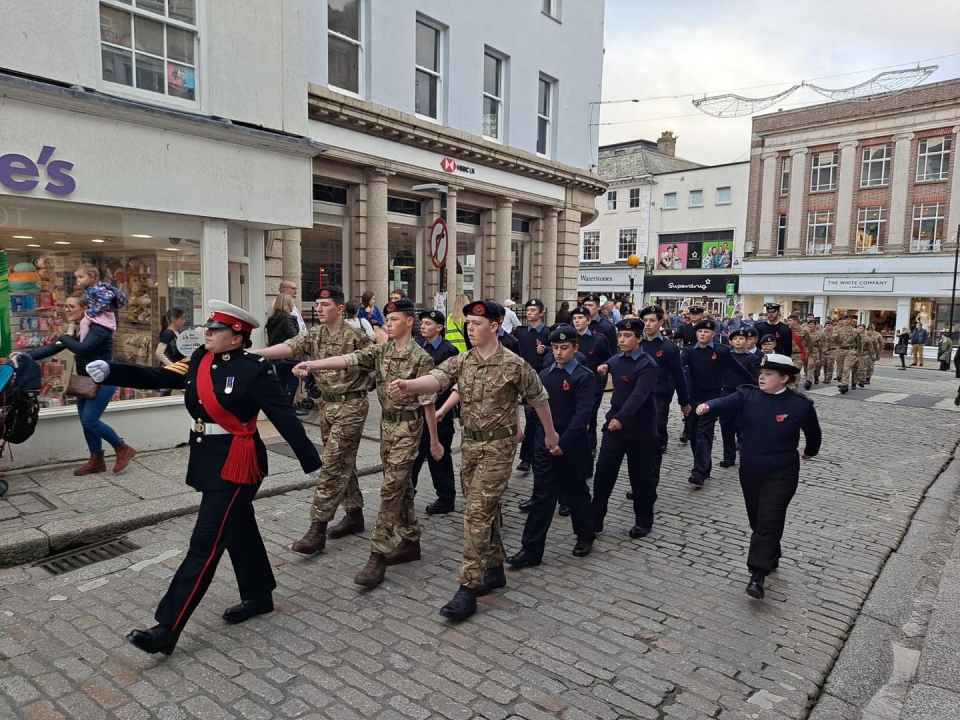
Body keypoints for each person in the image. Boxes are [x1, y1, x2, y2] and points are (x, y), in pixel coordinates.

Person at [86, 301, 322, 655]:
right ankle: (259, 596)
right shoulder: (200, 358)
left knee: (205, 544)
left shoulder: (255, 370)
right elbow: (163, 377)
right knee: (239, 529)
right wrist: (113, 371)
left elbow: (284, 416)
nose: (207, 333)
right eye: (207, 328)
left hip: (237, 465)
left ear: (236, 337)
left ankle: (167, 628)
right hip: (207, 458)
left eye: (216, 330)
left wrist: (311, 460)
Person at [389, 300, 558, 622]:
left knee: (477, 514)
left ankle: (468, 586)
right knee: (484, 509)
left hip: (499, 448)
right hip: (470, 447)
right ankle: (494, 569)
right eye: (468, 323)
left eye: (476, 323)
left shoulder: (515, 365)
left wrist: (550, 435)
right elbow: (437, 380)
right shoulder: (461, 361)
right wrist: (409, 385)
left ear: (494, 326)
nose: (470, 328)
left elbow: (540, 400)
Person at [292, 298, 440, 589]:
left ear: (409, 322)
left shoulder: (421, 358)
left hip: (409, 427)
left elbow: (428, 404)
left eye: (394, 319)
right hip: (387, 425)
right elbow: (348, 360)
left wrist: (434, 441)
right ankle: (410, 540)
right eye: (387, 319)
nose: (388, 324)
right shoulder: (381, 350)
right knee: (402, 487)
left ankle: (377, 556)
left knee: (390, 489)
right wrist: (311, 364)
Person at [254, 286, 372, 553]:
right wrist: (254, 354)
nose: (318, 308)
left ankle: (316, 528)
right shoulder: (314, 334)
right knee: (344, 462)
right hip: (327, 406)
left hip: (352, 404)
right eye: (317, 304)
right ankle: (354, 515)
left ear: (340, 309)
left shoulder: (356, 336)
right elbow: (288, 347)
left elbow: (374, 362)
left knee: (331, 464)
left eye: (325, 304)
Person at [695, 354, 821, 600]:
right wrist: (708, 406)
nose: (762, 377)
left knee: (768, 518)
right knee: (758, 518)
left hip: (782, 472)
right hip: (751, 470)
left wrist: (809, 452)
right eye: (761, 373)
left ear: (784, 378)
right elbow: (725, 402)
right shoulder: (747, 395)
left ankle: (757, 575)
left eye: (769, 374)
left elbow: (813, 434)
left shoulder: (799, 404)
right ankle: (770, 553)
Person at [508, 326, 597, 567]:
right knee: (541, 496)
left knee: (576, 493)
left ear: (575, 348)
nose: (559, 352)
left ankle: (585, 535)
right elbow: (535, 409)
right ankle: (531, 549)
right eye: (555, 348)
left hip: (572, 446)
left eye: (564, 348)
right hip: (545, 444)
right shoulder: (545, 375)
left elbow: (582, 416)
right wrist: (536, 440)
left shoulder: (585, 377)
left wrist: (563, 443)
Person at [24, 294, 136, 476]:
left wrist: (66, 337)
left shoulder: (98, 328)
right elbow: (53, 347)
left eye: (71, 306)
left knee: (90, 420)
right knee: (86, 422)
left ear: (85, 309)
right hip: (86, 380)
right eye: (65, 306)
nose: (67, 310)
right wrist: (25, 356)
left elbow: (82, 349)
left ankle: (122, 448)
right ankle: (96, 460)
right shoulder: (78, 329)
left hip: (106, 379)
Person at [592, 319, 660, 536]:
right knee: (603, 472)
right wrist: (606, 366)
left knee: (641, 478)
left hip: (640, 430)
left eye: (627, 336)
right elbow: (615, 360)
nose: (622, 340)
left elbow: (639, 396)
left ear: (639, 339)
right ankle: (595, 519)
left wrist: (621, 417)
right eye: (620, 335)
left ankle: (643, 520)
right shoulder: (620, 357)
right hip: (615, 428)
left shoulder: (647, 365)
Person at [681, 318, 756, 487]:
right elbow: (678, 367)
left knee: (704, 434)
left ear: (713, 334)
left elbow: (739, 369)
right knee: (693, 434)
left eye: (706, 332)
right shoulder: (688, 351)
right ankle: (704, 466)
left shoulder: (721, 351)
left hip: (713, 398)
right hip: (694, 398)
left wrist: (756, 385)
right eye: (700, 331)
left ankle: (698, 472)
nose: (702, 334)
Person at [411, 309, 460, 515]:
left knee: (438, 456)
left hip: (440, 411)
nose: (423, 326)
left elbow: (454, 384)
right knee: (413, 455)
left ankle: (446, 498)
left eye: (428, 323)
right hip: (417, 412)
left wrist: (444, 409)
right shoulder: (417, 346)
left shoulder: (449, 351)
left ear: (439, 328)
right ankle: (406, 493)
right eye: (422, 323)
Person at [638, 305, 689, 463]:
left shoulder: (669, 348)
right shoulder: (638, 345)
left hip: (659, 397)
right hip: (637, 397)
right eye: (645, 320)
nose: (647, 324)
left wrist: (684, 402)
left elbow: (678, 376)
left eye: (652, 320)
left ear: (660, 322)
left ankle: (651, 482)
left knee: (655, 438)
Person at [513, 299, 551, 476]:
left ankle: (529, 457)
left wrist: (547, 349)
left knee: (533, 420)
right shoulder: (520, 332)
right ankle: (527, 458)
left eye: (533, 310)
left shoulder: (547, 333)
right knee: (530, 420)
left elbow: (555, 351)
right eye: (527, 310)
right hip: (522, 379)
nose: (529, 313)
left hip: (540, 380)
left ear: (541, 313)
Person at [570, 304, 612, 464]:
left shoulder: (598, 339)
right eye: (574, 318)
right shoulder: (570, 338)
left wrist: (604, 370)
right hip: (574, 385)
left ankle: (591, 444)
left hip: (593, 385)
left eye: (580, 318)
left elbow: (608, 359)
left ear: (588, 320)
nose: (577, 321)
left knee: (590, 415)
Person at [719, 327, 761, 468]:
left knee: (742, 427)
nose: (738, 341)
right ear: (731, 341)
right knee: (726, 426)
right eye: (735, 339)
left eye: (741, 339)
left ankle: (745, 456)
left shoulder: (751, 358)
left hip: (744, 395)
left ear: (747, 341)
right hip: (727, 393)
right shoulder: (726, 356)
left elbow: (756, 378)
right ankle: (728, 457)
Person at [264, 294, 302, 400]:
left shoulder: (272, 319)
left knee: (282, 382)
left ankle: (284, 406)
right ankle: (287, 406)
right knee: (292, 383)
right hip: (287, 355)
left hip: (277, 355)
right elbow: (294, 336)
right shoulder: (287, 319)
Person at [74, 263, 127, 332]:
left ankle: (83, 342)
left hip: (103, 315)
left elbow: (108, 296)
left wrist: (92, 311)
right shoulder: (88, 289)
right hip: (98, 315)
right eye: (77, 278)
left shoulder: (97, 288)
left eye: (81, 277)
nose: (78, 280)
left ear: (92, 277)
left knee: (84, 323)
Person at [155, 308, 187, 397]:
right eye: (182, 318)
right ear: (174, 319)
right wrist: (171, 365)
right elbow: (159, 352)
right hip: (171, 366)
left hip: (177, 365)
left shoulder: (177, 332)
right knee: (165, 392)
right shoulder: (168, 333)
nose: (184, 321)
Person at [833, 315, 862, 394]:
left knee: (847, 368)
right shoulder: (838, 330)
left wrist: (858, 353)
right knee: (841, 369)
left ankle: (844, 385)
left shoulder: (855, 331)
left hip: (850, 351)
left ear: (851, 321)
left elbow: (859, 342)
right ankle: (843, 381)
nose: (846, 321)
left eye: (848, 319)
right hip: (840, 350)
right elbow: (834, 340)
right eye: (844, 319)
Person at [801, 317, 824, 390]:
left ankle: (809, 381)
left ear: (815, 325)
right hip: (806, 350)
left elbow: (821, 345)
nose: (811, 326)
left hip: (814, 350)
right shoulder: (804, 332)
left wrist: (821, 355)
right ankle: (807, 378)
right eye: (809, 324)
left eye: (812, 324)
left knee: (811, 365)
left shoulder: (819, 333)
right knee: (805, 365)